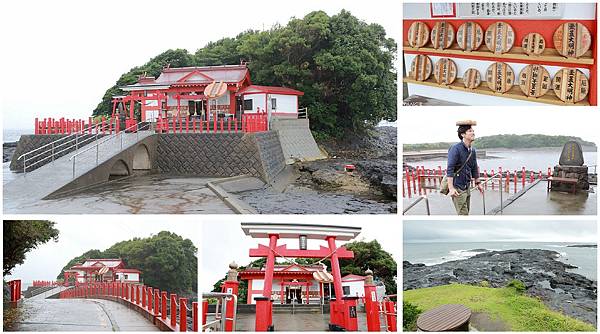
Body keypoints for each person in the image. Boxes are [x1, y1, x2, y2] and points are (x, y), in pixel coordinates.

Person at [447, 120, 484, 215]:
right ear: (463, 134)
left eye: (473, 130)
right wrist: (451, 188)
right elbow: (450, 169)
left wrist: (478, 182)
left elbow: (474, 167)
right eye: (470, 131)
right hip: (457, 188)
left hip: (467, 186)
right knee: (463, 214)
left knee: (467, 211)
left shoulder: (472, 150)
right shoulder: (455, 148)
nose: (473, 133)